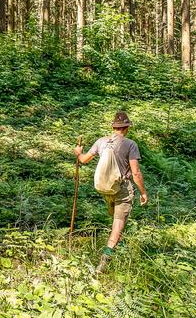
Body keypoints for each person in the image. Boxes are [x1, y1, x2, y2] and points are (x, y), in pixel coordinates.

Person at [73, 111, 148, 273]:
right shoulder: (130, 144)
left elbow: (84, 160)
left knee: (116, 221)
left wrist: (78, 153)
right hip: (122, 189)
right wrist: (143, 193)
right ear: (126, 128)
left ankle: (114, 244)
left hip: (105, 189)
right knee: (118, 223)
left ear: (113, 127)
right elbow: (135, 172)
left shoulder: (101, 142)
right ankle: (105, 260)